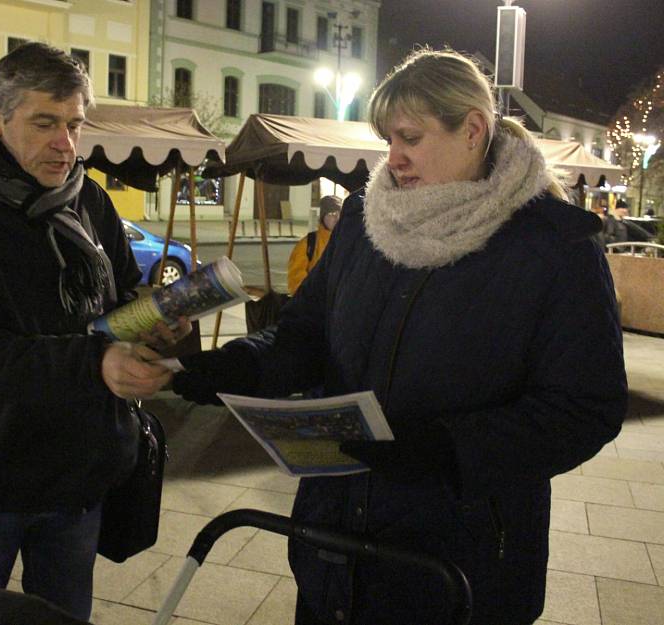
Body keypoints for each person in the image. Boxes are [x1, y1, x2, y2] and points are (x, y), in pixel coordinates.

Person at [171, 48, 627, 625]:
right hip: (334, 542)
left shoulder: (552, 246)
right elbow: (304, 335)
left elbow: (586, 406)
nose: (395, 159)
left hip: (459, 563)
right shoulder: (365, 221)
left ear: (473, 130)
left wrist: (448, 450)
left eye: (410, 137)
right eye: (388, 139)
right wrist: (237, 367)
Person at [0, 43, 187, 623]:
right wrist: (96, 362)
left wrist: (151, 322)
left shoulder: (90, 200)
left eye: (75, 124)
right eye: (45, 123)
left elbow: (116, 305)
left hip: (77, 475)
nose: (66, 144)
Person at [287, 195, 342, 294]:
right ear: (322, 217)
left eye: (340, 214)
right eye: (332, 213)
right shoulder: (308, 244)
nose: (337, 218)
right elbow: (296, 280)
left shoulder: (346, 242)